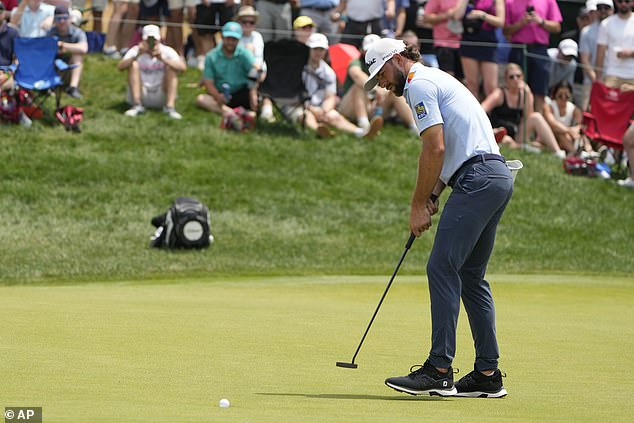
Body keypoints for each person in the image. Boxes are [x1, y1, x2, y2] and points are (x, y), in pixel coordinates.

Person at [364, 37, 512, 398]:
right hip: (495, 176)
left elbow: (435, 147)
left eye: (381, 72)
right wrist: (432, 194)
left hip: (477, 179)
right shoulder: (437, 78)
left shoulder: (419, 84)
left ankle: (439, 370)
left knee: (441, 268)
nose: (381, 82)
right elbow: (452, 153)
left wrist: (417, 206)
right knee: (470, 276)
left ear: (397, 59)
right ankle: (487, 374)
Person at [299, 33, 383, 138]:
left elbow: (330, 97)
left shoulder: (328, 72)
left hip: (321, 106)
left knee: (334, 117)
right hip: (301, 106)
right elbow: (295, 95)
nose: (318, 52)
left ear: (325, 51)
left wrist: (325, 110)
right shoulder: (299, 69)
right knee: (306, 116)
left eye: (321, 49)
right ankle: (318, 130)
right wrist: (311, 108)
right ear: (309, 49)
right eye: (315, 49)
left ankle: (361, 132)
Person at [482, 63, 565, 156]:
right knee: (506, 140)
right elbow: (482, 109)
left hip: (517, 133)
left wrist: (528, 93)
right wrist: (491, 130)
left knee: (536, 116)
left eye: (518, 76)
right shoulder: (499, 94)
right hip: (500, 132)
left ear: (522, 77)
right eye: (511, 77)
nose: (515, 79)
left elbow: (529, 116)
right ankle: (523, 147)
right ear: (506, 79)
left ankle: (557, 152)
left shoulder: (525, 93)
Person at [504, 0, 562, 114]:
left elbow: (557, 27)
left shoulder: (549, 1)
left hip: (539, 49)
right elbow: (505, 30)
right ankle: (518, 123)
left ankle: (536, 125)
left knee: (539, 90)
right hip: (518, 49)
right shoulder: (509, 2)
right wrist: (521, 23)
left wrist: (541, 22)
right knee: (516, 87)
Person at [196, 21, 259, 126]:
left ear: (238, 40)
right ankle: (233, 113)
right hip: (222, 95)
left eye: (234, 39)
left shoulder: (244, 53)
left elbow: (256, 71)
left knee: (258, 100)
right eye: (228, 38)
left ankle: (236, 113)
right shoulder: (211, 56)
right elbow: (208, 83)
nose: (230, 42)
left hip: (242, 92)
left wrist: (253, 92)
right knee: (201, 99)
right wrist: (217, 96)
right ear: (222, 37)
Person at [117, 24, 186, 119]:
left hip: (161, 92)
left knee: (171, 68)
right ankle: (137, 105)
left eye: (154, 40)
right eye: (148, 40)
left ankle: (170, 107)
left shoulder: (167, 50)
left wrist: (163, 59)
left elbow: (182, 68)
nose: (152, 43)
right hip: (142, 91)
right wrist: (138, 55)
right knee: (133, 65)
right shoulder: (136, 50)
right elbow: (120, 67)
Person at [454, 0, 505, 100]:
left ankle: (490, 114)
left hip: (488, 42)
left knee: (491, 87)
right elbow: (456, 16)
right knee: (472, 85)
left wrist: (481, 15)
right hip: (469, 40)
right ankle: (473, 114)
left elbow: (500, 22)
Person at [47, 5, 88, 99]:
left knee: (78, 55)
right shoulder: (50, 33)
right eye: (58, 19)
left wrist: (62, 45)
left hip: (70, 68)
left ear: (70, 19)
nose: (62, 21)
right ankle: (50, 86)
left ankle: (73, 88)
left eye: (65, 18)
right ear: (54, 20)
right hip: (54, 67)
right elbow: (44, 50)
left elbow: (84, 48)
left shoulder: (77, 32)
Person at [579, 0, 613, 110]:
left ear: (612, 10)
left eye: (606, 8)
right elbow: (585, 60)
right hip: (591, 83)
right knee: (587, 114)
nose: (603, 11)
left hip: (614, 81)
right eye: (599, 8)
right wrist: (597, 80)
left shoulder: (618, 29)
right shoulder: (586, 32)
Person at [595, 0, 634, 92]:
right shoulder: (606, 23)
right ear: (616, 2)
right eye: (620, 1)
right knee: (610, 106)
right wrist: (598, 78)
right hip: (613, 74)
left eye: (627, 1)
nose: (623, 4)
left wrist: (631, 53)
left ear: (632, 2)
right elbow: (600, 52)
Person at [423, 0, 463, 78]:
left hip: (465, 44)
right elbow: (427, 17)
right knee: (448, 78)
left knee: (464, 80)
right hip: (444, 44)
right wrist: (446, 15)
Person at [543, 80, 585, 154]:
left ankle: (588, 151)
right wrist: (569, 130)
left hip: (567, 137)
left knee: (573, 135)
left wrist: (573, 131)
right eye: (560, 95)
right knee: (559, 132)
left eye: (566, 95)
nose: (563, 97)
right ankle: (576, 153)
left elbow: (580, 125)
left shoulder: (574, 109)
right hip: (551, 136)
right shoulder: (549, 106)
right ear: (555, 94)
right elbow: (552, 123)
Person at [0, 1, 17, 92]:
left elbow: (18, 59)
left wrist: (8, 74)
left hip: (7, 71)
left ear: (4, 14)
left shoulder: (13, 33)